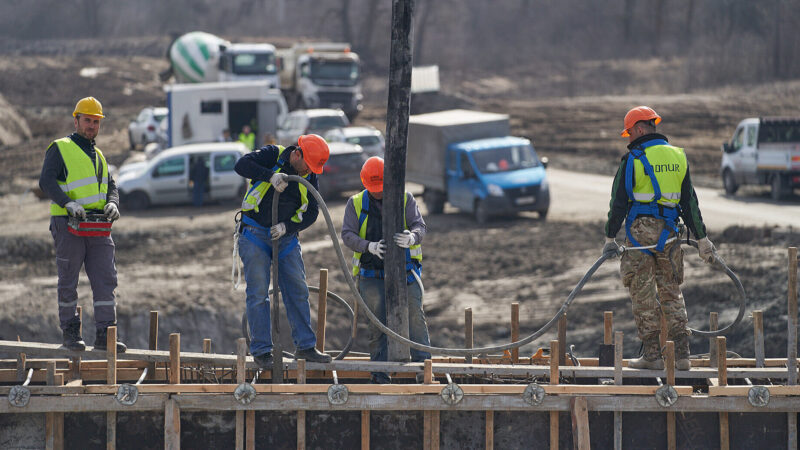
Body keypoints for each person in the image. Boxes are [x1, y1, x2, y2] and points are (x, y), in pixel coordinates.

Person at [604, 106, 717, 370]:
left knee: (642, 292)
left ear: (639, 129)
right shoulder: (678, 156)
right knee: (671, 292)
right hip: (670, 235)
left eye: (629, 133)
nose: (628, 139)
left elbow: (618, 203)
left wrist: (609, 238)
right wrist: (702, 239)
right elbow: (690, 203)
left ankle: (652, 356)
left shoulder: (632, 159)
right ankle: (682, 356)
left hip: (639, 233)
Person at [235, 134, 332, 367]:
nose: (309, 171)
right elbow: (242, 165)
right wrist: (270, 175)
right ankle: (261, 351)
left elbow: (311, 213)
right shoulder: (273, 154)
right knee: (258, 293)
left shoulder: (310, 176)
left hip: (285, 238)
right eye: (307, 165)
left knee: (297, 290)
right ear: (297, 154)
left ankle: (306, 347)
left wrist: (287, 226)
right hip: (255, 234)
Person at [38, 96, 127, 353]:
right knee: (68, 279)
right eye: (87, 121)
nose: (92, 126)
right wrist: (67, 203)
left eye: (96, 122)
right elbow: (46, 181)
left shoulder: (98, 154)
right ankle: (70, 331)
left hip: (97, 226)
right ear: (76, 120)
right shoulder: (60, 147)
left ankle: (105, 334)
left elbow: (111, 185)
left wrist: (113, 202)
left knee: (105, 279)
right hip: (68, 223)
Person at [341, 156, 431, 384]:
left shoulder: (405, 198)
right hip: (371, 274)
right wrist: (368, 246)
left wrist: (412, 237)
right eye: (375, 189)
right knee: (377, 324)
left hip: (406, 272)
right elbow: (347, 234)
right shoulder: (356, 203)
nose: (378, 193)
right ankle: (379, 374)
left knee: (414, 316)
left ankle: (423, 370)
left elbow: (420, 226)